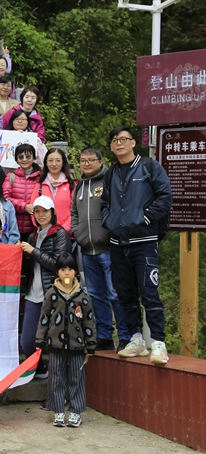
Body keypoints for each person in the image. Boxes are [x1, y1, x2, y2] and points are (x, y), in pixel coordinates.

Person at [101, 126, 172, 364]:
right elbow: (104, 204)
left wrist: (146, 218)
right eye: (114, 140)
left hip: (144, 242)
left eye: (123, 139)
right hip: (118, 243)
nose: (119, 143)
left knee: (149, 293)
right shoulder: (111, 173)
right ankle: (136, 339)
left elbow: (165, 196)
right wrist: (109, 222)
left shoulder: (149, 167)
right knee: (125, 295)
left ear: (133, 142)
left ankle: (159, 343)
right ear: (111, 147)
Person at [71, 147, 130, 353]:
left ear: (100, 161)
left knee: (115, 293)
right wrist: (77, 232)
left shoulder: (109, 180)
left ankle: (125, 336)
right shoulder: (79, 186)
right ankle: (104, 335)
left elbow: (120, 208)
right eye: (82, 160)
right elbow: (74, 213)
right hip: (87, 250)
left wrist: (111, 232)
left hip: (108, 249)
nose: (86, 164)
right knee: (96, 295)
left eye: (90, 160)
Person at [35, 253, 96, 428]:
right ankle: (58, 411)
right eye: (63, 269)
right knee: (56, 379)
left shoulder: (82, 296)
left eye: (70, 269)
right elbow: (44, 318)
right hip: (55, 345)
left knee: (76, 379)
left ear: (75, 272)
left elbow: (89, 320)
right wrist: (40, 339)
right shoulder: (51, 294)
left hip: (77, 346)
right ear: (57, 272)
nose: (66, 273)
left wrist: (91, 343)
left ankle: (76, 412)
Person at [18, 195, 72, 378]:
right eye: (37, 211)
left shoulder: (60, 234)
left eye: (45, 211)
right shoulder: (32, 236)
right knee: (27, 342)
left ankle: (60, 378)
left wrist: (33, 251)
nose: (41, 215)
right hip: (33, 294)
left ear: (53, 212)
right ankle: (40, 369)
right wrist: (22, 253)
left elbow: (60, 265)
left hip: (53, 294)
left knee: (56, 339)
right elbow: (28, 266)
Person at [30, 148, 75, 234]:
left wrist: (63, 231)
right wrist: (43, 230)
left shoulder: (71, 185)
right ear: (46, 162)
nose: (54, 164)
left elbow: (75, 212)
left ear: (63, 163)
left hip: (66, 234)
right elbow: (32, 210)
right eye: (50, 160)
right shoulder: (39, 185)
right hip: (44, 234)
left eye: (58, 160)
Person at [3, 143, 41, 241]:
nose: (24, 159)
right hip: (14, 227)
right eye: (21, 157)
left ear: (34, 158)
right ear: (16, 159)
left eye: (28, 156)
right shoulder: (11, 177)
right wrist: (24, 207)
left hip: (36, 227)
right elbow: (5, 198)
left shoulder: (41, 178)